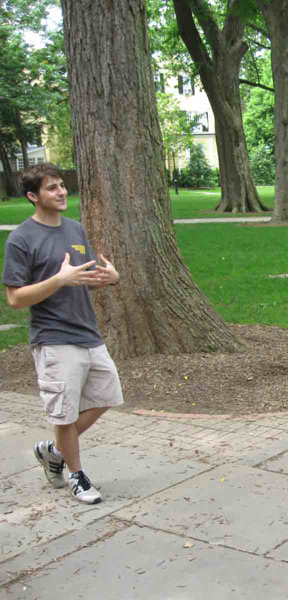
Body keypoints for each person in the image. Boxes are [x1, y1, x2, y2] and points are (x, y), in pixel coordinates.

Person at [2, 163, 122, 504]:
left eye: (61, 186)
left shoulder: (74, 229)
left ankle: (54, 451)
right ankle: (76, 475)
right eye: (52, 188)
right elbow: (14, 298)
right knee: (64, 414)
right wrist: (58, 280)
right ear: (32, 196)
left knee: (108, 395)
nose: (61, 192)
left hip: (88, 332)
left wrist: (109, 278)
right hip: (53, 338)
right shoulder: (21, 239)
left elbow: (84, 278)